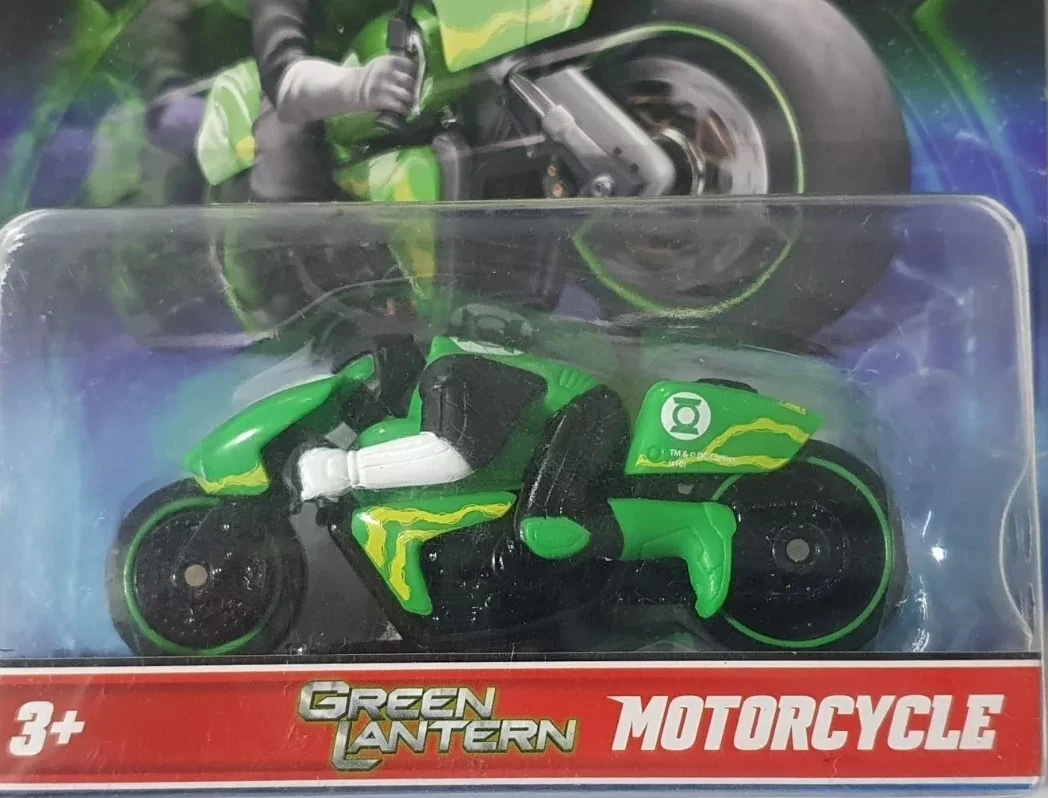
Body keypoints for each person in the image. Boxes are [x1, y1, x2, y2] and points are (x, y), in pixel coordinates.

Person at [248, 0, 418, 201]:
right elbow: (284, 77)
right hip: (315, 98)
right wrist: (361, 85)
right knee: (285, 157)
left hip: (411, 94)